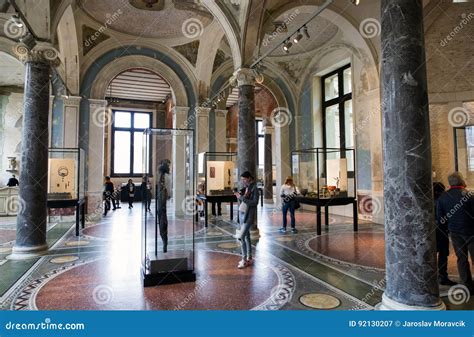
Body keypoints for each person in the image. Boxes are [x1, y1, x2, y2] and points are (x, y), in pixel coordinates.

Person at [436, 172, 474, 293]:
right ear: (461, 181)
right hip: (470, 231)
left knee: (461, 259)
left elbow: (440, 218)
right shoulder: (469, 195)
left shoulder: (443, 197)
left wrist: (449, 227)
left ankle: (467, 285)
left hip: (454, 232)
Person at [234, 171, 259, 269]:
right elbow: (243, 201)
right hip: (241, 214)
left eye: (244, 179)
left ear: (249, 178)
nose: (243, 181)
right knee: (247, 237)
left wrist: (242, 198)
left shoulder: (255, 188)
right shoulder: (247, 188)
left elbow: (255, 202)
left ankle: (244, 260)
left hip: (248, 215)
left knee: (241, 237)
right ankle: (249, 258)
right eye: (242, 179)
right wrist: (239, 197)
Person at [433, 182, 456, 286]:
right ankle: (442, 276)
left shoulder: (427, 201)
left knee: (432, 254)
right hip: (441, 232)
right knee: (443, 254)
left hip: (431, 232)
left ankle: (431, 276)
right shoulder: (442, 200)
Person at [157, 159, 171, 252]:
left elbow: (165, 191)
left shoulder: (164, 177)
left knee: (163, 222)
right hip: (161, 202)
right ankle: (164, 241)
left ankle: (165, 241)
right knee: (162, 222)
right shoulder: (162, 176)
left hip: (162, 203)